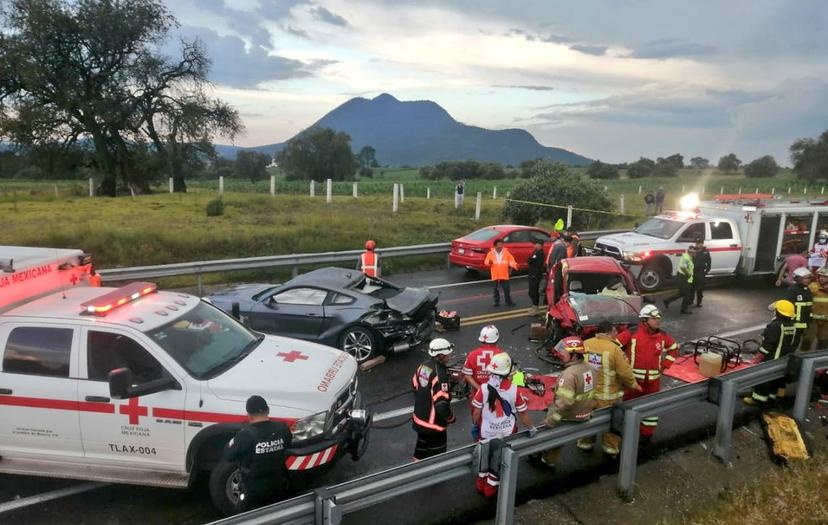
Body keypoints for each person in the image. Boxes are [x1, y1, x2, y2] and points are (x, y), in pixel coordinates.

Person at [471, 352, 535, 498]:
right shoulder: (515, 390)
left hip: (486, 433)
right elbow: (523, 414)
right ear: (508, 373)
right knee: (498, 461)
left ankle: (481, 483)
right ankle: (491, 488)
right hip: (506, 434)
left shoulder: (483, 388)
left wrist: (476, 424)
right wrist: (532, 428)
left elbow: (476, 412)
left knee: (484, 459)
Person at [577, 323, 641, 457]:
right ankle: (610, 448)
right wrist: (634, 384)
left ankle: (585, 443)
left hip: (588, 394)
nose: (616, 334)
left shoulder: (585, 344)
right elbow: (625, 372)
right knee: (612, 423)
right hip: (608, 396)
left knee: (588, 420)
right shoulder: (614, 349)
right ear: (608, 333)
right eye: (615, 332)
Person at [617, 305, 678, 442]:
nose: (658, 321)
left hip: (653, 382)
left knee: (651, 410)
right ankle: (628, 430)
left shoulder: (662, 336)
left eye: (658, 318)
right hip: (632, 381)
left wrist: (664, 366)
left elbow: (674, 348)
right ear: (644, 320)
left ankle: (646, 434)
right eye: (654, 318)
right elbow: (614, 346)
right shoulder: (631, 333)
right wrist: (621, 366)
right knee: (629, 406)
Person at [222, 395, 293, 512]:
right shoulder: (283, 429)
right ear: (268, 410)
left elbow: (227, 455)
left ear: (249, 415)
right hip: (278, 486)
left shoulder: (244, 435)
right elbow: (288, 444)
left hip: (253, 492)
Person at [540, 336, 596, 468]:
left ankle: (548, 461)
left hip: (570, 416)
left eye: (564, 352)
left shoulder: (569, 375)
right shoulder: (589, 368)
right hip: (585, 413)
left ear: (574, 355)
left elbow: (564, 403)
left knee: (554, 436)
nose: (561, 354)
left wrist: (550, 421)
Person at [743, 301, 798, 405]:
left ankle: (758, 398)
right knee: (775, 379)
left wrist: (757, 359)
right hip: (783, 359)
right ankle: (772, 396)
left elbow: (767, 347)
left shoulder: (774, 326)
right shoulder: (792, 326)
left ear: (778, 312)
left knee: (762, 378)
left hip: (771, 359)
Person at [412, 338, 457, 460]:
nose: (450, 355)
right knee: (437, 456)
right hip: (433, 426)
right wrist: (451, 418)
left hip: (419, 419)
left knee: (421, 449)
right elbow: (441, 405)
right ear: (441, 356)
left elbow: (415, 385)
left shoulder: (424, 366)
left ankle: (414, 472)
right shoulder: (440, 375)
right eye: (448, 353)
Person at [463, 325, 505, 440]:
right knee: (495, 422)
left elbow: (467, 375)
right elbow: (508, 376)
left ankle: (478, 441)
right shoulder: (502, 355)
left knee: (477, 420)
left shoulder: (472, 354)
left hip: (477, 395)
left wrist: (479, 388)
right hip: (497, 396)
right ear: (496, 339)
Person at [484, 239, 518, 307]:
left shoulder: (506, 253)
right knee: (496, 290)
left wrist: (514, 266)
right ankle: (496, 302)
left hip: (504, 274)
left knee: (507, 290)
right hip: (495, 275)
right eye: (499, 246)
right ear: (495, 246)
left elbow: (512, 261)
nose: (500, 248)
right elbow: (486, 262)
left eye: (501, 246)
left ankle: (508, 302)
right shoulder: (490, 254)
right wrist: (489, 263)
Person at [785, 267, 813, 349]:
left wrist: (809, 319)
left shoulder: (807, 289)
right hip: (794, 323)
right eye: (805, 278)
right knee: (791, 342)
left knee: (797, 342)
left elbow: (809, 306)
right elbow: (789, 306)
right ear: (798, 279)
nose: (808, 280)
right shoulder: (793, 290)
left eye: (809, 277)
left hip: (803, 322)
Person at [664, 245, 696, 314]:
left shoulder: (689, 257)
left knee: (681, 293)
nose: (695, 254)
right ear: (690, 252)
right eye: (694, 252)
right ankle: (684, 309)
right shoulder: (686, 258)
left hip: (683, 277)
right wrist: (689, 274)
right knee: (687, 294)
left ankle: (667, 301)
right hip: (683, 277)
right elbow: (683, 268)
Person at [805, 266, 828, 351]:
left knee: (823, 341)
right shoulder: (813, 287)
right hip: (812, 320)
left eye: (825, 276)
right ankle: (803, 358)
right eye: (821, 276)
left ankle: (818, 361)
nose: (822, 278)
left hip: (826, 322)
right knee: (807, 339)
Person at [527, 240, 546, 315]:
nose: (535, 246)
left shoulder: (540, 253)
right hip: (531, 274)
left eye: (536, 244)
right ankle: (534, 306)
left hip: (536, 275)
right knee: (531, 292)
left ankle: (536, 308)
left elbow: (536, 264)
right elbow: (529, 260)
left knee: (533, 291)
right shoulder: (535, 252)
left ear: (540, 245)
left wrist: (535, 274)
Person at [692, 237, 712, 307]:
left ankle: (699, 302)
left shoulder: (706, 252)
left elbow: (709, 262)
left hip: (700, 272)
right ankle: (690, 301)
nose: (697, 245)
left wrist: (706, 271)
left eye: (699, 243)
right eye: (696, 243)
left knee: (700, 288)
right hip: (692, 272)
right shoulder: (692, 250)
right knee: (691, 288)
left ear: (702, 244)